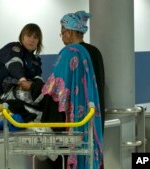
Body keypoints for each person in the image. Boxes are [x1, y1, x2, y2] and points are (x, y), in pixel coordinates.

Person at [39, 11, 104, 169]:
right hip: (92, 117)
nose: (62, 37)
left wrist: (34, 87)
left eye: (62, 33)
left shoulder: (69, 53)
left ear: (69, 32)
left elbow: (55, 88)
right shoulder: (95, 52)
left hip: (72, 121)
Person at [0, 23, 44, 123]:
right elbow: (14, 64)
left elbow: (36, 82)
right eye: (29, 36)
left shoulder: (35, 61)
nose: (32, 40)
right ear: (22, 37)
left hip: (15, 106)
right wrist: (22, 79)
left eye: (35, 37)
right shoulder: (12, 49)